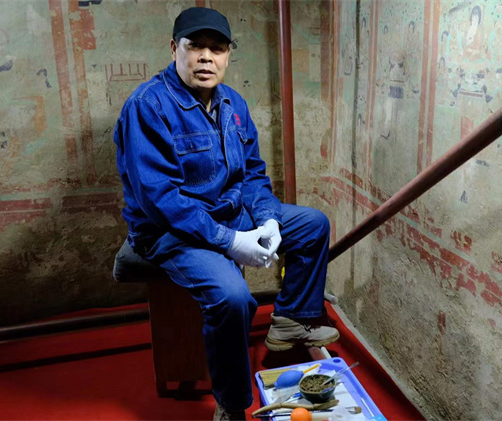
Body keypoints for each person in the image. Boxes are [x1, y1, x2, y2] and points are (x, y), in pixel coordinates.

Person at [113, 7, 339, 420]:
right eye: (195, 46)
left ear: (228, 55)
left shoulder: (233, 103)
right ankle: (232, 406)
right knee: (234, 298)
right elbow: (160, 199)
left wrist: (268, 219)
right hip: (169, 231)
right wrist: (230, 241)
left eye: (216, 48)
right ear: (174, 49)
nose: (206, 57)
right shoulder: (147, 106)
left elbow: (252, 174)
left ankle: (292, 318)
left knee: (312, 225)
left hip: (229, 213)